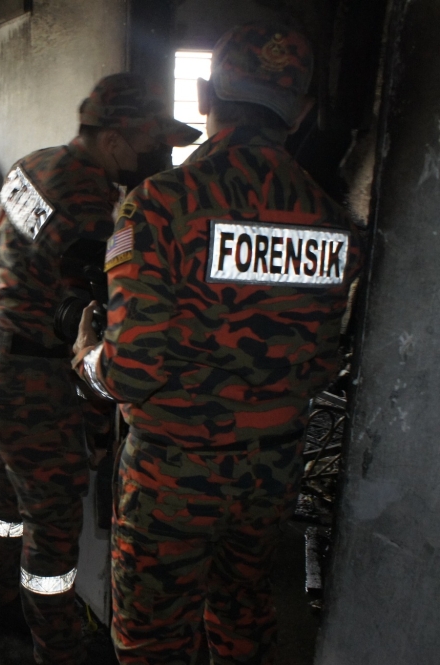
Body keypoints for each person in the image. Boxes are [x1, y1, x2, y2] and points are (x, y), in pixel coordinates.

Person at [72, 23, 362, 665]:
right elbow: (322, 362)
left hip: (176, 470)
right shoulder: (330, 217)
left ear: (205, 95)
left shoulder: (162, 203)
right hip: (272, 467)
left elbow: (133, 369)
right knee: (243, 607)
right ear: (299, 111)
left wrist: (87, 364)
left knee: (153, 633)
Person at [0, 73, 200, 664]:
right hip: (30, 378)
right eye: (154, 147)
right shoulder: (96, 203)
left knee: (12, 497)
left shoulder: (35, 164)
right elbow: (91, 311)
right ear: (118, 141)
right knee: (54, 525)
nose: (159, 160)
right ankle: (59, 650)